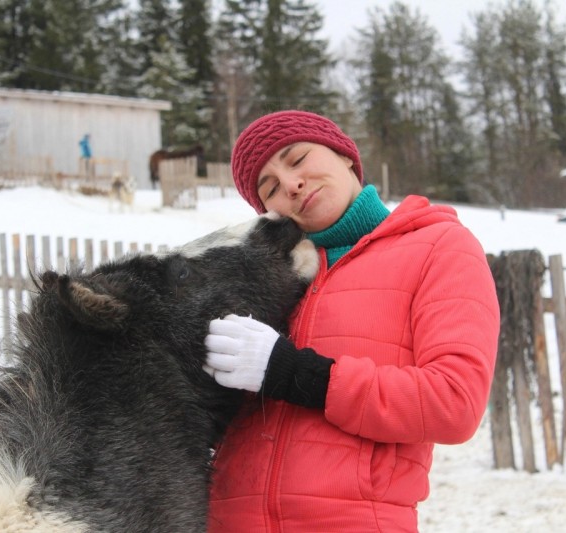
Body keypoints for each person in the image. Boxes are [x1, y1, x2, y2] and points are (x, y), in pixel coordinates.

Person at [202, 110, 500, 532]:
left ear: (344, 155)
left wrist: (296, 374)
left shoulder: (439, 248)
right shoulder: (265, 278)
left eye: (298, 158)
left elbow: (455, 403)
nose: (291, 184)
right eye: (270, 188)